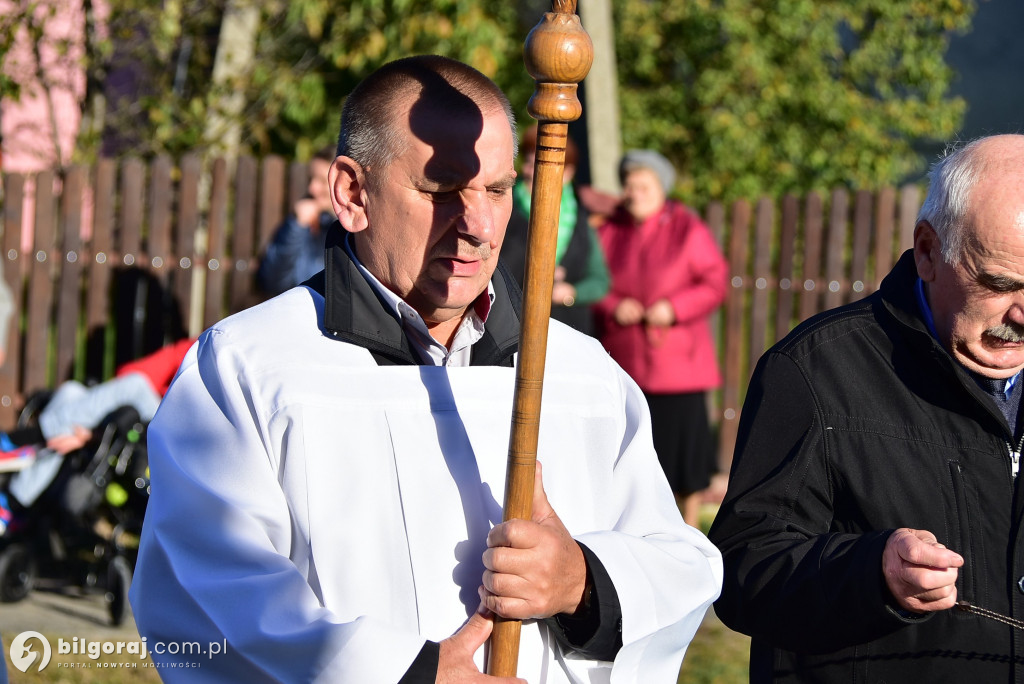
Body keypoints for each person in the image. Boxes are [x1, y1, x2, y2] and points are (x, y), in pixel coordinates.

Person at [130, 55, 722, 682]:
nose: (477, 226)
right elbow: (205, 594)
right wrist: (406, 674)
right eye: (440, 190)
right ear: (352, 194)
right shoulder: (251, 368)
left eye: (496, 190)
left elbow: (679, 565)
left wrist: (583, 583)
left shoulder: (581, 375)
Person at [708, 134, 1024, 683]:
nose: (1023, 315)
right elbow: (741, 572)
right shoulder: (815, 372)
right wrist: (873, 573)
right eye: (1000, 284)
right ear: (928, 252)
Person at [593, 150, 728, 528]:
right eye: (630, 186)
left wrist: (674, 307)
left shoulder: (687, 228)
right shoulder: (609, 230)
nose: (635, 193)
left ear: (661, 189)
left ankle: (686, 530)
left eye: (644, 186)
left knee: (685, 462)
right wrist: (613, 305)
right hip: (625, 361)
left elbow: (715, 282)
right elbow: (596, 283)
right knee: (630, 453)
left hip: (677, 366)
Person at [0, 337, 194, 531]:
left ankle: (16, 441)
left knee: (136, 385)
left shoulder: (219, 351)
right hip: (137, 419)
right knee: (71, 392)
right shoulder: (203, 346)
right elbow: (131, 371)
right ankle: (11, 503)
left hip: (176, 440)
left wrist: (92, 434)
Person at [499, 125, 610, 336]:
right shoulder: (505, 204)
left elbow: (600, 281)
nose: (530, 173)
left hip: (568, 329)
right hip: (511, 326)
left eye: (541, 167)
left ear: (567, 173)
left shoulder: (580, 217)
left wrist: (572, 293)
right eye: (529, 164)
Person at [256, 146, 336, 296]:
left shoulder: (357, 230)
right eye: (310, 179)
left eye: (321, 181)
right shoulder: (301, 222)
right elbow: (271, 280)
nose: (312, 188)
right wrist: (296, 227)